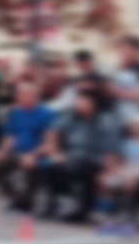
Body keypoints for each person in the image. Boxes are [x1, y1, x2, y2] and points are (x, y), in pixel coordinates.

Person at [43, 89, 122, 222]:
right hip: (72, 157)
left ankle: (84, 208)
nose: (77, 104)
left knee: (80, 168)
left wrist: (109, 170)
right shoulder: (71, 115)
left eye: (82, 101)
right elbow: (52, 131)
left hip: (95, 159)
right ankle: (66, 201)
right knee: (50, 166)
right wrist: (56, 153)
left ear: (93, 104)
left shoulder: (105, 121)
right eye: (77, 100)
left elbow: (112, 150)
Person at [0, 82, 56, 212]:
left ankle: (28, 200)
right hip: (18, 153)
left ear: (35, 96)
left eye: (24, 94)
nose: (20, 98)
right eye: (19, 95)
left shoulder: (46, 114)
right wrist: (1, 152)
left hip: (39, 154)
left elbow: (49, 143)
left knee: (32, 164)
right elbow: (10, 137)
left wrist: (33, 155)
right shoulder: (15, 113)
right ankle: (18, 198)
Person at [97, 113, 139, 234]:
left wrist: (133, 172)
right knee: (107, 178)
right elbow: (124, 161)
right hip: (129, 170)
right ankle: (110, 211)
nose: (135, 128)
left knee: (133, 180)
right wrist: (118, 169)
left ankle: (132, 212)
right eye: (134, 126)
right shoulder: (127, 143)